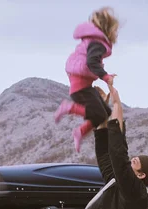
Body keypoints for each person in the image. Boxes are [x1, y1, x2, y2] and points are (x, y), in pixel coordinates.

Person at [54, 6, 119, 153]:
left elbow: (91, 62)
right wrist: (105, 76)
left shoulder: (93, 41)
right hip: (80, 88)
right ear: (108, 29)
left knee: (106, 112)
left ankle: (80, 132)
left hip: (84, 85)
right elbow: (92, 63)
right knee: (99, 113)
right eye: (115, 30)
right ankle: (68, 108)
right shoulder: (97, 43)